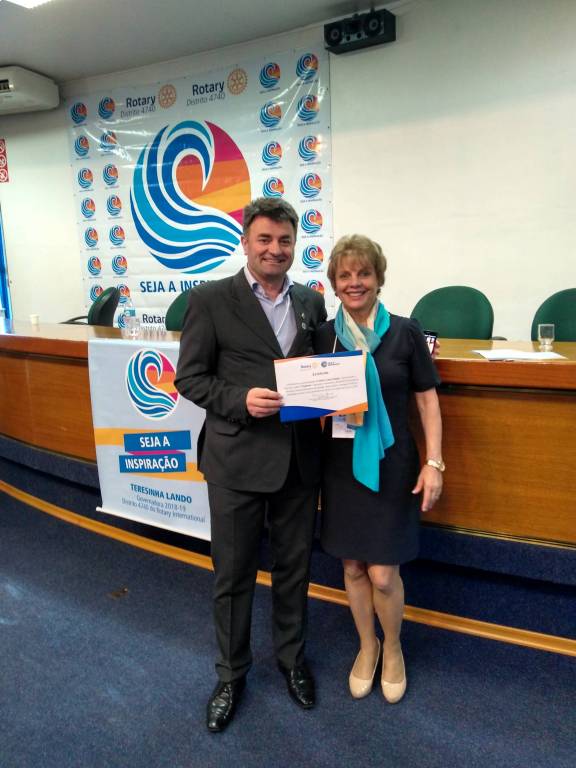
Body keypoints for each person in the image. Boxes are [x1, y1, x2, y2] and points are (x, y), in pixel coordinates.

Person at [175, 197, 327, 732]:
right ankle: (231, 674)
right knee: (233, 575)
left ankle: (291, 660)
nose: (275, 250)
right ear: (245, 242)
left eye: (284, 241)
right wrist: (239, 400)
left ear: (295, 245)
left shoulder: (311, 302)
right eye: (264, 239)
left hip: (299, 462)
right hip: (236, 459)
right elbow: (189, 378)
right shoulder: (210, 299)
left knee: (295, 571)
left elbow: (320, 371)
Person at [314, 234, 443, 704]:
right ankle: (366, 646)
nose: (355, 282)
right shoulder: (323, 336)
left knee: (383, 574)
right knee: (352, 567)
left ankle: (392, 649)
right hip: (340, 465)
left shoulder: (406, 332)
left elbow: (427, 401)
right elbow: (310, 402)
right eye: (345, 275)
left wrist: (434, 462)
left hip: (393, 466)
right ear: (334, 284)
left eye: (364, 273)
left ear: (378, 278)